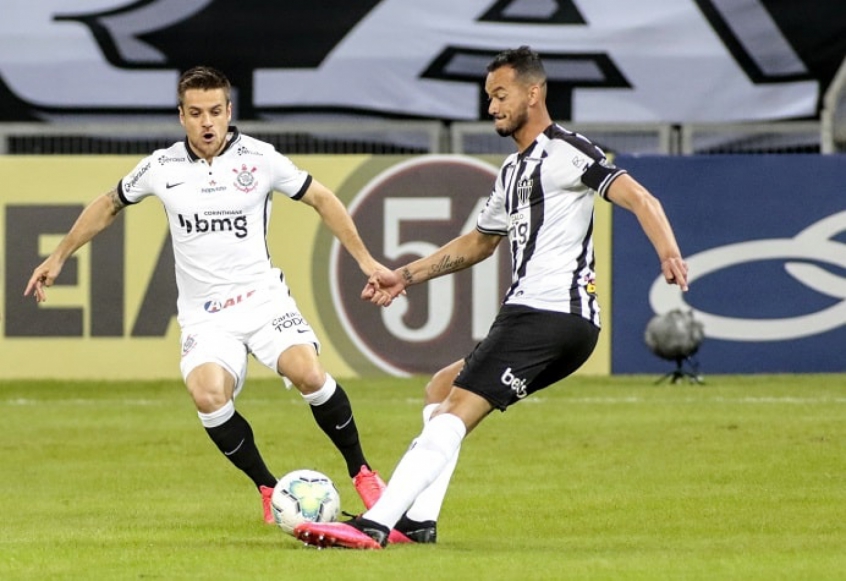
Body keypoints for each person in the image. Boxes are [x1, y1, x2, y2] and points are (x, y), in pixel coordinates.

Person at [293, 45, 689, 549]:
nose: (492, 107)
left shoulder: (568, 150)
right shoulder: (511, 172)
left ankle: (375, 523)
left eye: (501, 95)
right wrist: (404, 277)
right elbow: (479, 242)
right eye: (489, 98)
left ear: (533, 91)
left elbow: (639, 196)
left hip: (547, 312)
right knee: (441, 391)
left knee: (456, 407)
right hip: (554, 321)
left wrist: (668, 252)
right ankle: (419, 522)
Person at [23, 65, 390, 524]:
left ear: (229, 110)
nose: (207, 122)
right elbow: (108, 203)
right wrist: (59, 256)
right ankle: (269, 488)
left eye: (215, 111)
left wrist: (366, 261)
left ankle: (362, 473)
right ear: (181, 116)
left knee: (308, 374)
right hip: (205, 317)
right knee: (207, 394)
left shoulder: (260, 158)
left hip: (262, 301)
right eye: (196, 113)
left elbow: (322, 199)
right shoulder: (161, 167)